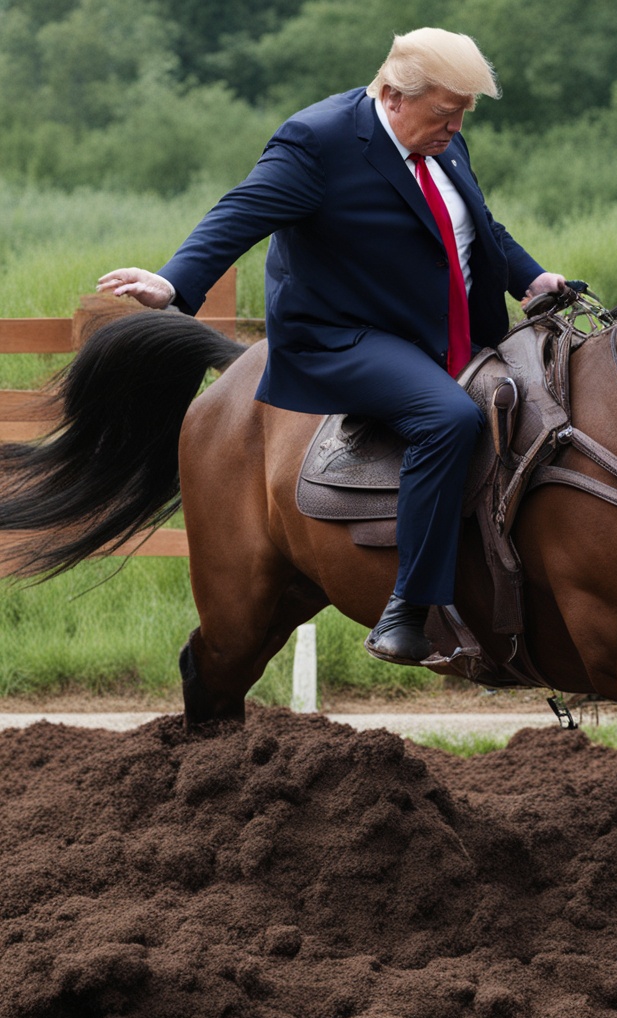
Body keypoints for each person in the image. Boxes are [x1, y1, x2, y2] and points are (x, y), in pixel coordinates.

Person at [97, 28, 566, 666]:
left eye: (463, 114)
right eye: (445, 113)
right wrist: (174, 281)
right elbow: (241, 211)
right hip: (342, 338)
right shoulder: (317, 142)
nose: (456, 127)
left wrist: (531, 278)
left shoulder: (438, 138)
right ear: (394, 96)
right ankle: (409, 608)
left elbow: (476, 224)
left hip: (440, 334)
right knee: (447, 418)